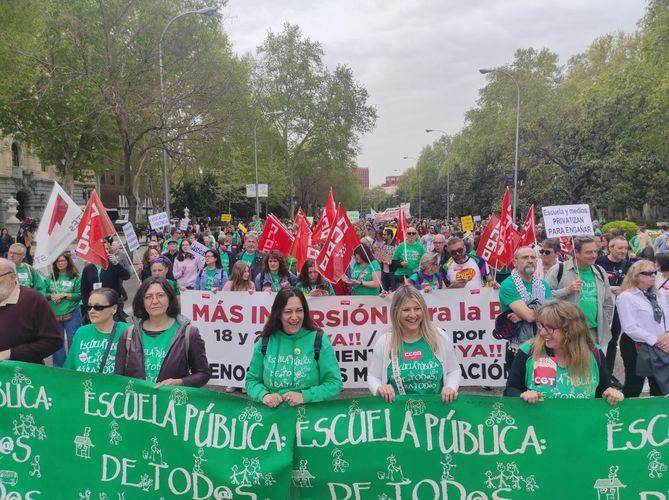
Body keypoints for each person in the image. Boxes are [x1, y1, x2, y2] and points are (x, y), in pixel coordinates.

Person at [504, 300, 624, 403]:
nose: (542, 332)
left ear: (570, 330)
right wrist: (523, 395)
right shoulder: (529, 350)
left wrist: (612, 393)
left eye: (549, 328)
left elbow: (603, 391)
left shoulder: (594, 352)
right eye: (541, 325)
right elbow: (510, 389)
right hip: (538, 426)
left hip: (580, 427)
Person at [245, 287, 343, 406]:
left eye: (299, 310)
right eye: (288, 312)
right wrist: (264, 395)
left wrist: (305, 396)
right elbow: (252, 381)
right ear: (278, 314)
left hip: (310, 419)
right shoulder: (265, 341)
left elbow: (334, 383)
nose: (295, 317)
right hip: (272, 420)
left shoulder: (319, 339)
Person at [367, 285, 460, 402]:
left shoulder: (439, 336)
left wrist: (450, 387)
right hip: (398, 414)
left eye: (417, 308)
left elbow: (454, 370)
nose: (413, 315)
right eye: (406, 310)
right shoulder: (385, 342)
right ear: (396, 312)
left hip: (437, 413)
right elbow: (373, 377)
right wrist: (379, 388)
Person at [114, 277, 210, 387]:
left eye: (160, 295)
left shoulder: (189, 333)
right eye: (148, 297)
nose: (155, 301)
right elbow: (119, 377)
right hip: (137, 402)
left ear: (170, 298)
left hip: (170, 403)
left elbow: (203, 374)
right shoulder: (128, 334)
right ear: (142, 301)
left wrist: (179, 382)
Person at [546, 236, 614, 348]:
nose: (594, 255)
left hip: (593, 332)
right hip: (566, 331)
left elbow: (607, 302)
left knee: (592, 364)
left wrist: (604, 322)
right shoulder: (559, 270)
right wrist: (566, 291)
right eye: (588, 252)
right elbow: (543, 297)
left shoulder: (600, 271)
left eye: (595, 251)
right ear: (576, 252)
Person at [616, 260, 669, 396]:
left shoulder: (658, 294)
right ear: (635, 275)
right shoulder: (626, 296)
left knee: (660, 384)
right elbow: (630, 327)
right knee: (634, 385)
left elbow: (666, 317)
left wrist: (667, 334)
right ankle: (627, 416)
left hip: (660, 344)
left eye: (654, 273)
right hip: (636, 345)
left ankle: (657, 415)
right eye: (647, 273)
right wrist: (656, 340)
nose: (652, 276)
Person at [498, 246, 552, 371]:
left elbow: (551, 315)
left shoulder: (543, 285)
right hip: (519, 347)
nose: (530, 260)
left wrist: (523, 313)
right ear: (515, 262)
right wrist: (528, 314)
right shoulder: (508, 284)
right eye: (525, 257)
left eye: (533, 257)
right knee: (517, 389)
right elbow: (529, 316)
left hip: (544, 344)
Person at [0, 257, 62, 363]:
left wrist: (10, 353)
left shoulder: (33, 300)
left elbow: (53, 341)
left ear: (13, 277)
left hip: (23, 374)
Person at [596, 236, 635, 384]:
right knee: (598, 340)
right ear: (610, 248)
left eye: (625, 248)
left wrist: (624, 289)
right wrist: (608, 288)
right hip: (600, 307)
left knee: (612, 340)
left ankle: (608, 374)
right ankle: (595, 371)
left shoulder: (629, 265)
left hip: (619, 309)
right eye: (620, 248)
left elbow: (635, 285)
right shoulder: (599, 262)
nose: (623, 251)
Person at [65, 288, 130, 374]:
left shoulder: (128, 331)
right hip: (85, 386)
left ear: (114, 309)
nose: (92, 311)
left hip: (116, 387)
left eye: (98, 307)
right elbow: (69, 369)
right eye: (89, 307)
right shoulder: (81, 332)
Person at [45, 252, 82, 368]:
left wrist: (64, 295)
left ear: (68, 262)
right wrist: (51, 296)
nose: (60, 263)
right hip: (54, 314)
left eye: (63, 260)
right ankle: (59, 368)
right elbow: (42, 292)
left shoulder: (76, 277)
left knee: (74, 340)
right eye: (57, 261)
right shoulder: (50, 277)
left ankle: (73, 366)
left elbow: (79, 294)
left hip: (72, 313)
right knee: (57, 342)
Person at [80, 245, 131, 324]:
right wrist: (89, 306)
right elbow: (84, 290)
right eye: (103, 249)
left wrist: (116, 263)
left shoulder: (113, 265)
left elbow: (126, 276)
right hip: (95, 306)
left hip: (112, 305)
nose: (105, 251)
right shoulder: (88, 269)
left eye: (107, 249)